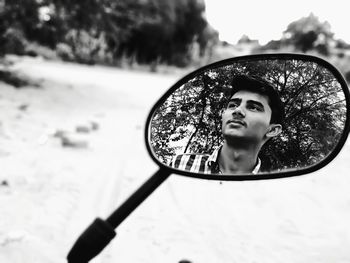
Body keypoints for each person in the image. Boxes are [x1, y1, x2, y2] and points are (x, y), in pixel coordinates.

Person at [170, 74, 285, 174]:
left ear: (272, 130)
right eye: (233, 105)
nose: (237, 110)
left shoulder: (268, 189)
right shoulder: (180, 165)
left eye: (253, 107)